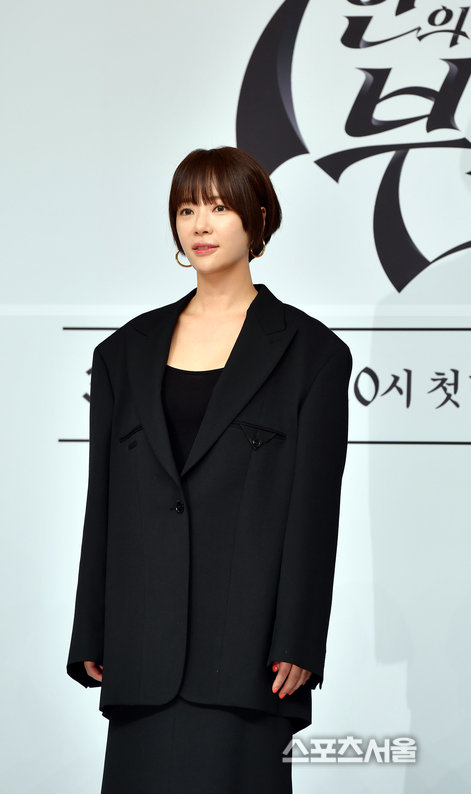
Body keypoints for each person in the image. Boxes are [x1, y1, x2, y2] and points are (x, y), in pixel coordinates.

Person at [66, 146, 353, 793]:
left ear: (257, 218)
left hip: (247, 654)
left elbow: (314, 510)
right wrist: (92, 630)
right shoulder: (122, 354)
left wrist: (299, 639)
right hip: (142, 648)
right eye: (186, 209)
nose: (200, 224)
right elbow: (103, 503)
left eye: (219, 208)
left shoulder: (312, 354)